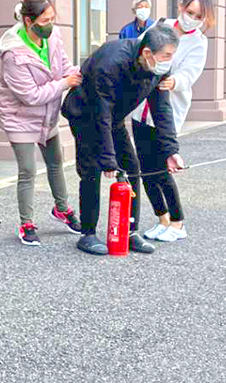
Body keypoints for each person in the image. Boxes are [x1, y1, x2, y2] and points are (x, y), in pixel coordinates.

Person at [62, 24, 184, 256]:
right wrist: (108, 159)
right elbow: (101, 112)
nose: (169, 60)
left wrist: (170, 150)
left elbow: (162, 109)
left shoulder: (158, 67)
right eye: (167, 55)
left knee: (131, 168)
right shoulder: (112, 62)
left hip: (113, 116)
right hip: (86, 114)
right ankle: (87, 233)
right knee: (91, 170)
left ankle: (129, 231)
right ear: (147, 53)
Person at [0, 0, 82, 246]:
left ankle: (62, 209)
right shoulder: (13, 55)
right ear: (27, 21)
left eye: (52, 18)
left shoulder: (53, 36)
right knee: (28, 170)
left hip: (46, 114)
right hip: (19, 117)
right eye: (45, 20)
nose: (50, 24)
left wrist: (77, 74)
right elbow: (31, 96)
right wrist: (64, 84)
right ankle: (26, 224)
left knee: (56, 162)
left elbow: (64, 64)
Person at [133, 0, 215, 243]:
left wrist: (174, 81)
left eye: (198, 16)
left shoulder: (199, 42)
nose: (192, 18)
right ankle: (163, 219)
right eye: (190, 11)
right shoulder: (161, 25)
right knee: (144, 168)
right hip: (140, 106)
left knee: (161, 168)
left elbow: (190, 74)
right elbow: (139, 50)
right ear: (180, 6)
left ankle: (178, 223)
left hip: (167, 110)